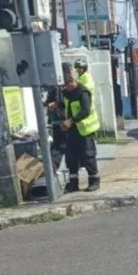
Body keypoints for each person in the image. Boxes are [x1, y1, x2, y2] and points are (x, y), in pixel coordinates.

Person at [61, 63, 100, 193]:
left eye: (67, 85)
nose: (65, 88)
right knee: (71, 157)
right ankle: (73, 184)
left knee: (88, 156)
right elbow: (64, 105)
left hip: (84, 129)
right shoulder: (67, 93)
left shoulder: (83, 92)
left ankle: (94, 181)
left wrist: (71, 121)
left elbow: (85, 111)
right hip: (72, 130)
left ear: (72, 81)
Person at [44, 65, 69, 172]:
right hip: (60, 119)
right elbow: (57, 102)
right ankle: (52, 168)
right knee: (59, 146)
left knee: (61, 145)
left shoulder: (57, 85)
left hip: (59, 119)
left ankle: (53, 167)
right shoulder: (58, 86)